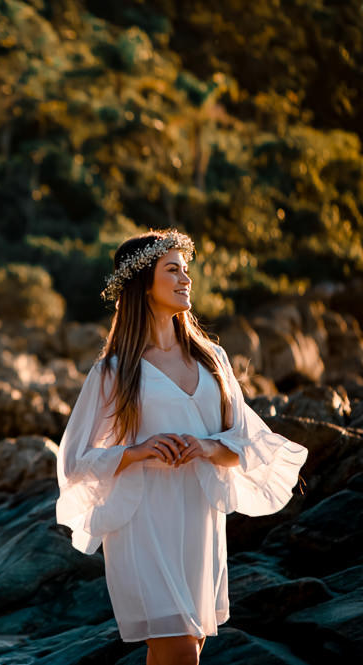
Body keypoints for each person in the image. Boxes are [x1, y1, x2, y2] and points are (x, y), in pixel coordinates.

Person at [55, 230, 307, 665]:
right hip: (143, 522)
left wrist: (208, 448)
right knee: (181, 647)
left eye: (186, 270)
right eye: (172, 270)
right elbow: (75, 462)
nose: (185, 279)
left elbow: (247, 444)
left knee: (186, 649)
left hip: (199, 520)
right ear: (142, 283)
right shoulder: (114, 371)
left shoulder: (214, 360)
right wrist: (138, 450)